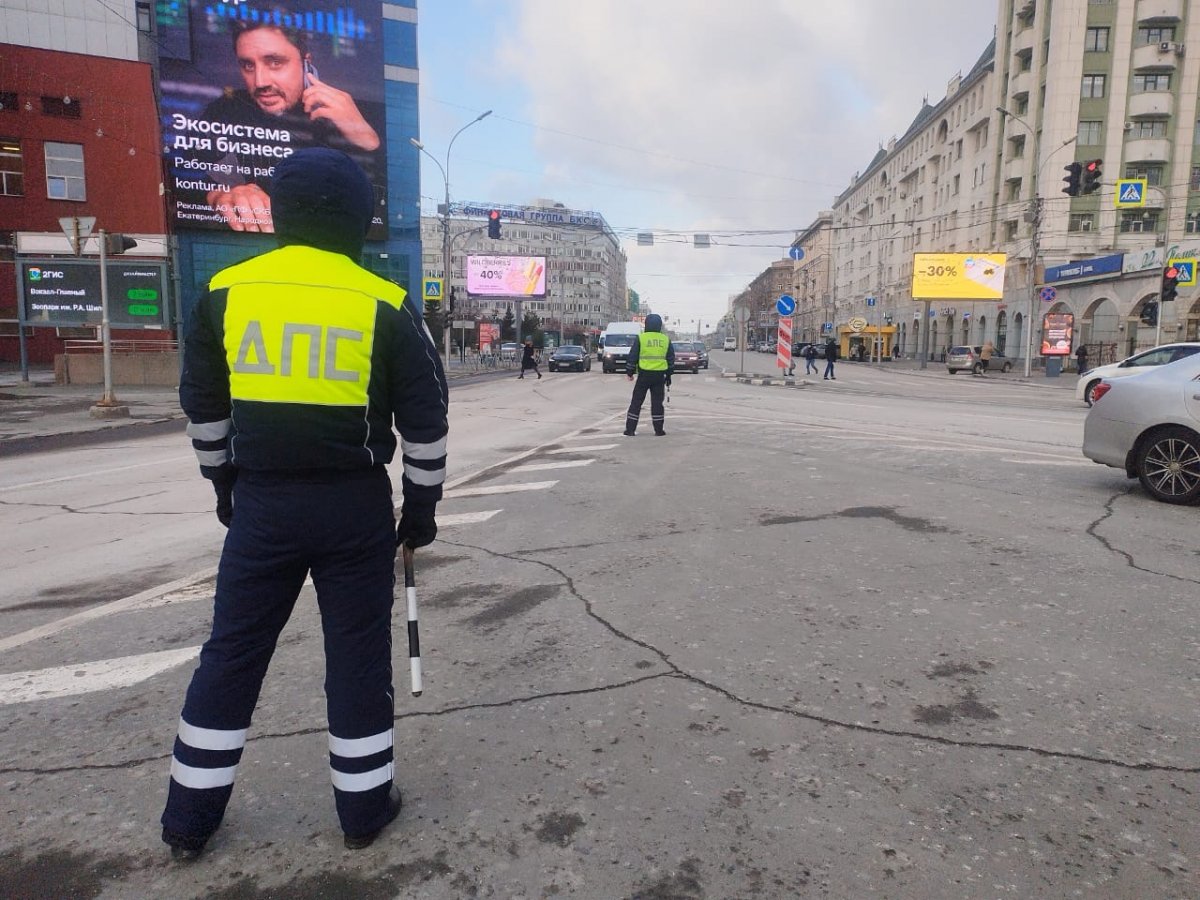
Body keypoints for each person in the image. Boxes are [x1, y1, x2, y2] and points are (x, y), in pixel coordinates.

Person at [161, 148, 448, 861]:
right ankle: (362, 811)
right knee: (356, 659)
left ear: (280, 213)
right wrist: (421, 509)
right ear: (360, 220)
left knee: (231, 655)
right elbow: (427, 421)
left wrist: (223, 480)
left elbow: (202, 404)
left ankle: (188, 822)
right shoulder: (383, 301)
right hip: (353, 509)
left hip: (262, 505)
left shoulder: (227, 291)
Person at [197, 13, 382, 233]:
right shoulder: (225, 110)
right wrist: (217, 195)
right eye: (248, 65)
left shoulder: (357, 114)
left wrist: (369, 141)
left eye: (275, 62)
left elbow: (378, 207)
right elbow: (187, 177)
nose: (260, 81)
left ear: (307, 64)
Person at [623, 314, 674, 436]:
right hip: (659, 376)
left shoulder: (641, 338)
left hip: (644, 375)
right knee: (657, 404)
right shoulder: (665, 339)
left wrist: (630, 372)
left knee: (636, 402)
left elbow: (633, 356)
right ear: (659, 325)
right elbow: (671, 360)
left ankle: (630, 430)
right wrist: (668, 376)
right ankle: (659, 430)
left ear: (646, 325)